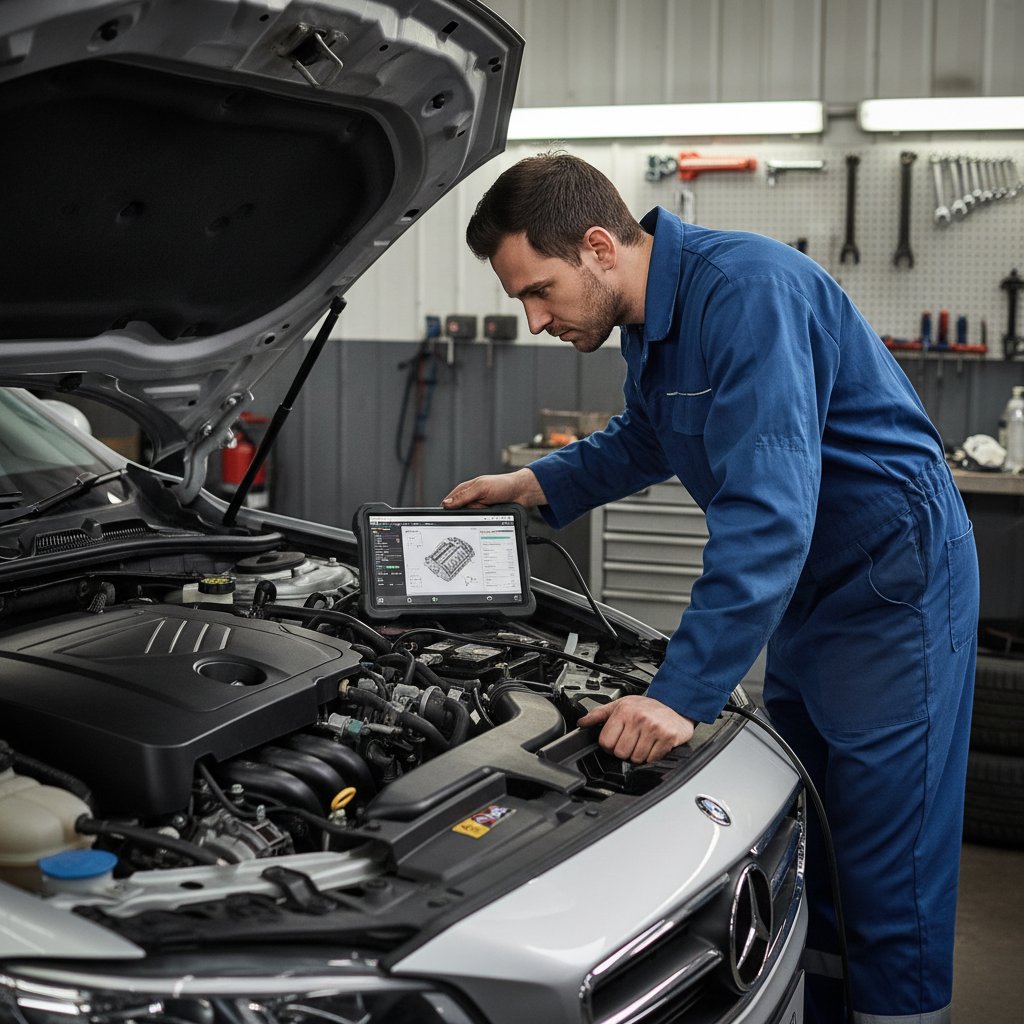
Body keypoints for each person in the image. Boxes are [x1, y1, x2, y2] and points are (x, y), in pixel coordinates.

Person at [442, 152, 978, 1024]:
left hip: (893, 590)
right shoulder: (653, 321)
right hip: (812, 590)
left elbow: (767, 515)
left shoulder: (746, 293)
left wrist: (678, 695)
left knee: (889, 861)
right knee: (816, 835)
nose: (535, 320)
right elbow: (645, 438)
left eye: (539, 291)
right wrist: (533, 484)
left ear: (598, 247)